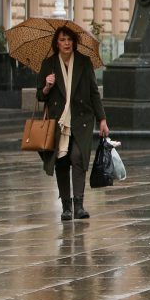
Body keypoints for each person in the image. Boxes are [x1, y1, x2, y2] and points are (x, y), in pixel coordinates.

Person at [36, 26, 109, 221]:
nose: (66, 43)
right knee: (61, 160)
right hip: (58, 122)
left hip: (81, 120)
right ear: (56, 43)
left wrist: (102, 119)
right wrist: (47, 86)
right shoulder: (49, 64)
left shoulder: (84, 63)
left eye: (69, 39)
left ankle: (79, 204)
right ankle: (66, 206)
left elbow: (94, 92)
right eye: (62, 39)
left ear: (74, 42)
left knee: (78, 157)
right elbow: (39, 96)